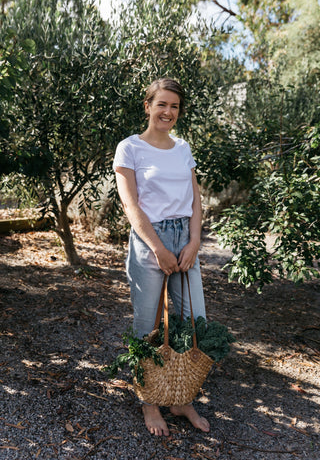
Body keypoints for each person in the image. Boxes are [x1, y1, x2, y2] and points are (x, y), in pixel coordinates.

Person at [113, 77, 209, 436]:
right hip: (150, 238)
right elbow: (130, 204)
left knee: (191, 320)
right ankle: (150, 402)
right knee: (148, 325)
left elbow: (196, 199)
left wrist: (195, 240)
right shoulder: (130, 148)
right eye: (162, 104)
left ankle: (181, 398)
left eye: (175, 106)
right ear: (148, 106)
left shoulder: (183, 148)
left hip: (185, 238)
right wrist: (158, 248)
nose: (168, 112)